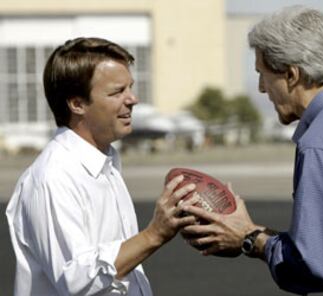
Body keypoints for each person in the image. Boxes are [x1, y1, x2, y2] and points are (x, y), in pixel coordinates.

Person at [181, 5, 323, 295]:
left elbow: (318, 267)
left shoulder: (320, 142)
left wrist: (250, 239)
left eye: (263, 75)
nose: (262, 88)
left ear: (291, 75)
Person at [6, 37, 197, 295]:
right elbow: (76, 281)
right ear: (77, 104)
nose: (133, 99)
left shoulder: (105, 164)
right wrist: (153, 234)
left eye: (130, 87)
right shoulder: (52, 177)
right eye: (117, 92)